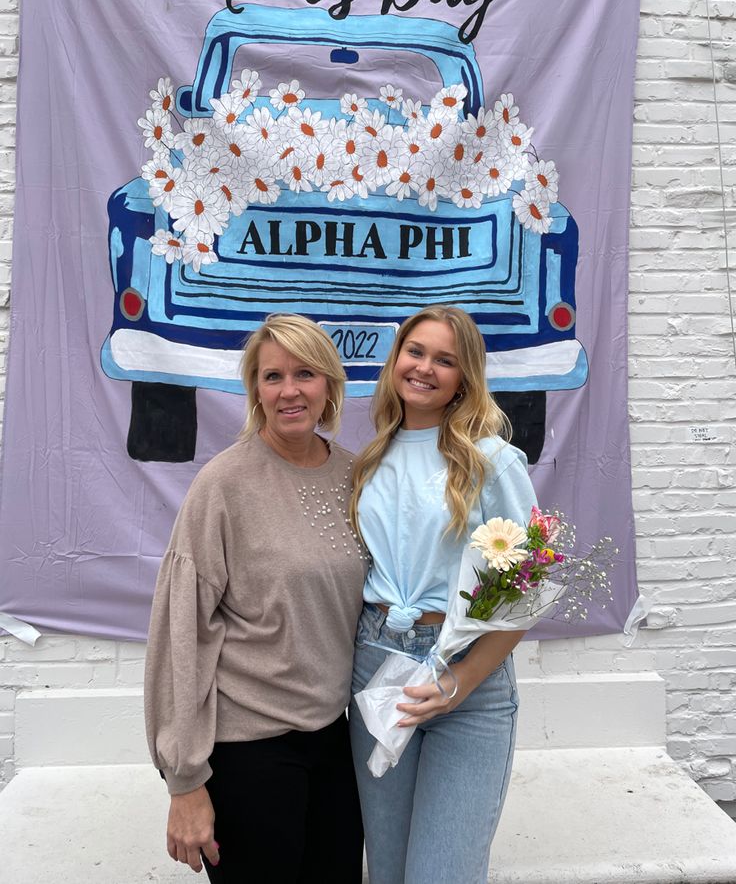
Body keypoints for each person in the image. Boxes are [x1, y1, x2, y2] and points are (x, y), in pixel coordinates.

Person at [144, 313, 367, 884]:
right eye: (272, 377)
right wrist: (185, 782)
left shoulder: (355, 476)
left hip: (335, 740)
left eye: (305, 374)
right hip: (248, 752)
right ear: (255, 390)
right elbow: (181, 633)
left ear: (329, 385)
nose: (289, 390)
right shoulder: (224, 484)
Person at [349, 304, 537, 884]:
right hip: (376, 667)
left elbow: (525, 594)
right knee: (386, 868)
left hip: (465, 677)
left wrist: (459, 683)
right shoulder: (368, 460)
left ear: (465, 377)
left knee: (442, 872)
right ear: (396, 360)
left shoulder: (492, 461)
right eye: (416, 352)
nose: (425, 368)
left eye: (446, 360)